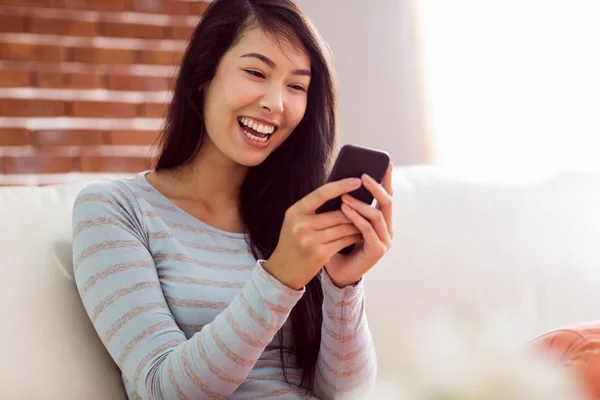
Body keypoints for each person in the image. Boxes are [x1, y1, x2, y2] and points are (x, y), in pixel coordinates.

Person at [72, 0, 394, 398]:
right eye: (256, 72)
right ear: (204, 75)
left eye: (296, 86)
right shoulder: (114, 210)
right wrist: (280, 277)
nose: (275, 103)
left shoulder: (295, 218)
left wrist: (343, 285)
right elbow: (163, 389)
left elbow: (348, 393)